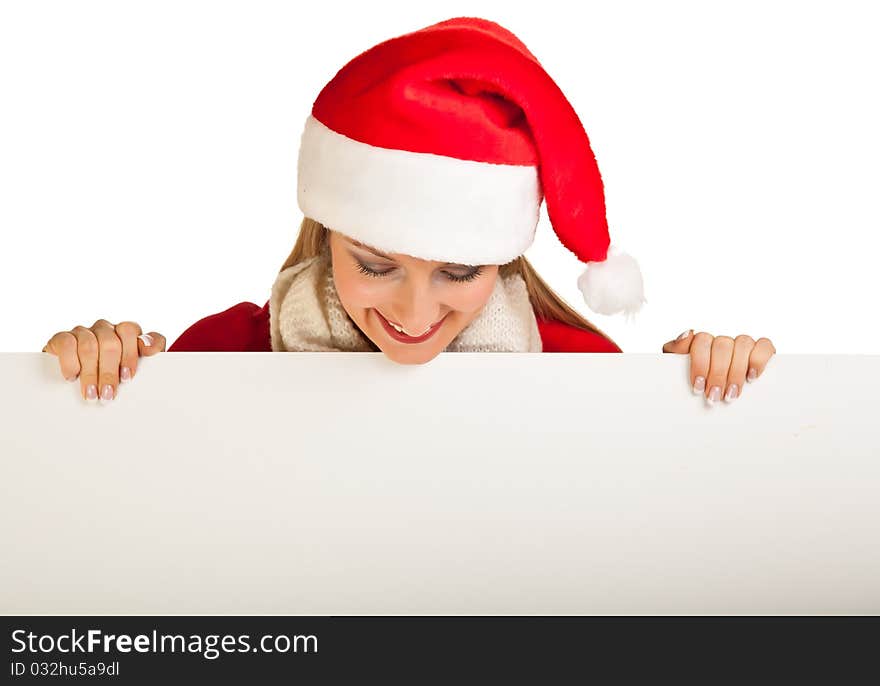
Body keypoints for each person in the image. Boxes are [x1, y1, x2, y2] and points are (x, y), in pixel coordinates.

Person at [42, 17, 775, 406]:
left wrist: (707, 388)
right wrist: (87, 376)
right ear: (327, 233)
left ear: (501, 257)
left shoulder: (579, 373)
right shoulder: (226, 353)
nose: (414, 310)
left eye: (456, 271)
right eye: (376, 264)